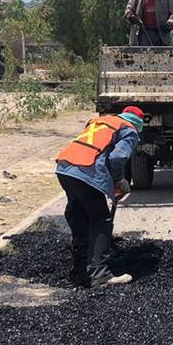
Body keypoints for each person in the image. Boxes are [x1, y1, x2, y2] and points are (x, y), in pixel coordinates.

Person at [54, 106, 146, 287]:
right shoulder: (129, 129)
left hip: (64, 168)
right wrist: (119, 180)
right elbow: (117, 157)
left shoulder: (100, 121)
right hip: (86, 171)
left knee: (77, 212)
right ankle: (99, 274)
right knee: (101, 219)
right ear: (139, 123)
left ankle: (80, 266)